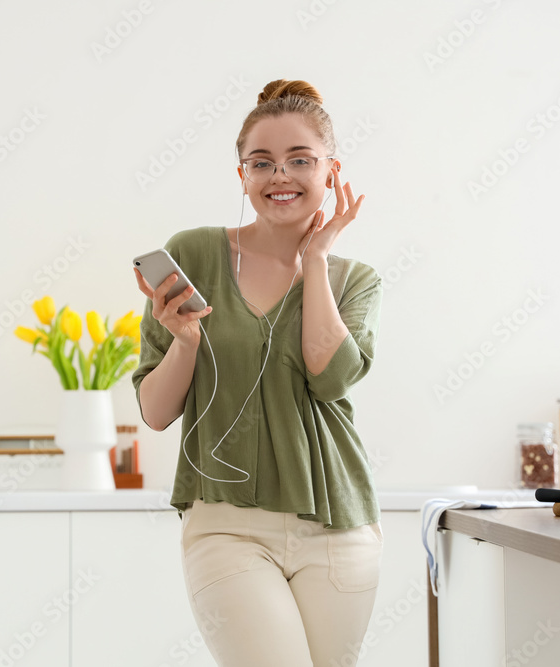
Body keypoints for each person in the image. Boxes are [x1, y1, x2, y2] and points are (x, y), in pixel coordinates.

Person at [132, 79, 383, 667]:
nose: (281, 177)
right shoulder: (192, 254)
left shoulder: (354, 279)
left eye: (301, 160)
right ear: (241, 174)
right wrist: (187, 340)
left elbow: (330, 379)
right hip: (227, 526)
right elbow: (156, 411)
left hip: (339, 524)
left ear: (331, 170)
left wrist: (316, 257)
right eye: (262, 162)